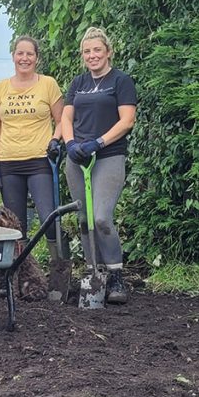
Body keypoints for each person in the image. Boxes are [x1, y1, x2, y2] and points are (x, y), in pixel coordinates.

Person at [60, 26, 137, 304]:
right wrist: (70, 145)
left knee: (102, 217)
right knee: (83, 219)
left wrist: (99, 143)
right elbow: (66, 118)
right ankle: (94, 273)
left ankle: (116, 276)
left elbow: (127, 120)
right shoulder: (78, 83)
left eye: (96, 50)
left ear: (108, 52)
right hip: (78, 157)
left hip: (108, 155)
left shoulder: (120, 81)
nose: (92, 55)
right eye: (87, 51)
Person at [0, 35, 64, 263]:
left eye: (30, 54)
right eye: (20, 53)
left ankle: (58, 265)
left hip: (39, 160)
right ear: (13, 57)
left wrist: (55, 140)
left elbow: (61, 120)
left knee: (49, 217)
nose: (25, 58)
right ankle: (20, 273)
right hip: (9, 163)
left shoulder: (47, 84)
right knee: (15, 225)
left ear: (36, 58)